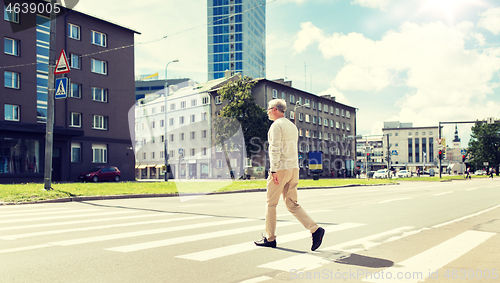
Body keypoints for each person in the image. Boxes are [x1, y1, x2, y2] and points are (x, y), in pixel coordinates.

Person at [254, 99, 325, 251]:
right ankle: (315, 230)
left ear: (274, 109)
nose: (267, 111)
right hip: (294, 169)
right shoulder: (292, 126)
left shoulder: (276, 126)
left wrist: (273, 170)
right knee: (292, 204)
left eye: (268, 109)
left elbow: (275, 149)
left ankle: (270, 238)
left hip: (280, 169)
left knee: (271, 204)